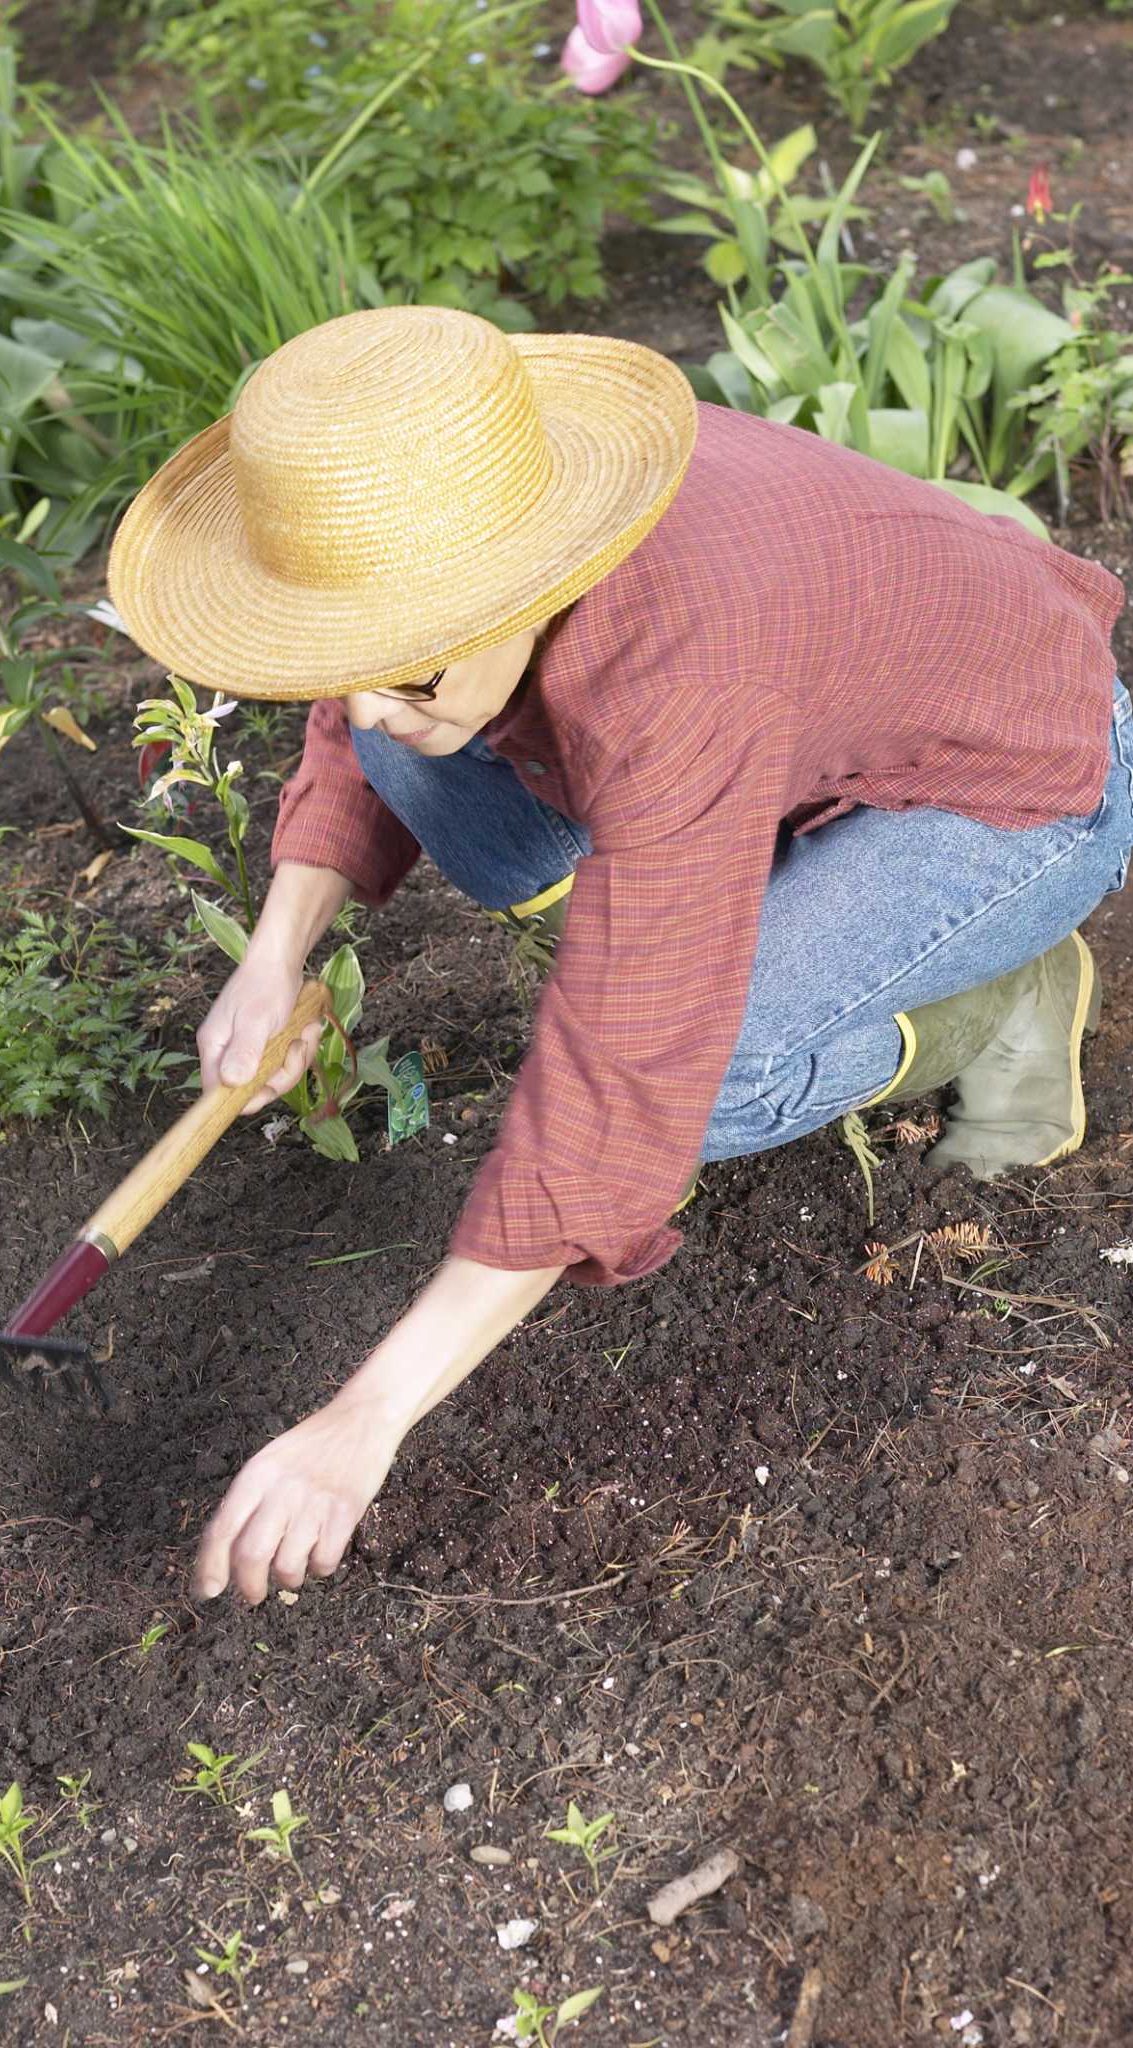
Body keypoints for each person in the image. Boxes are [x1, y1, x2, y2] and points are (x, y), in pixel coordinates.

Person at [108, 304, 1130, 1608]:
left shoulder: (674, 675)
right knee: (402, 764)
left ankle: (992, 1006)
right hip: (809, 721)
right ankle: (751, 896)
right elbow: (355, 699)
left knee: (708, 1074)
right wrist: (271, 960)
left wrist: (361, 1422)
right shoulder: (491, 514)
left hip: (1015, 789)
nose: (368, 700)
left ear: (528, 590)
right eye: (361, 663)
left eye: (409, 669)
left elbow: (621, 1082)